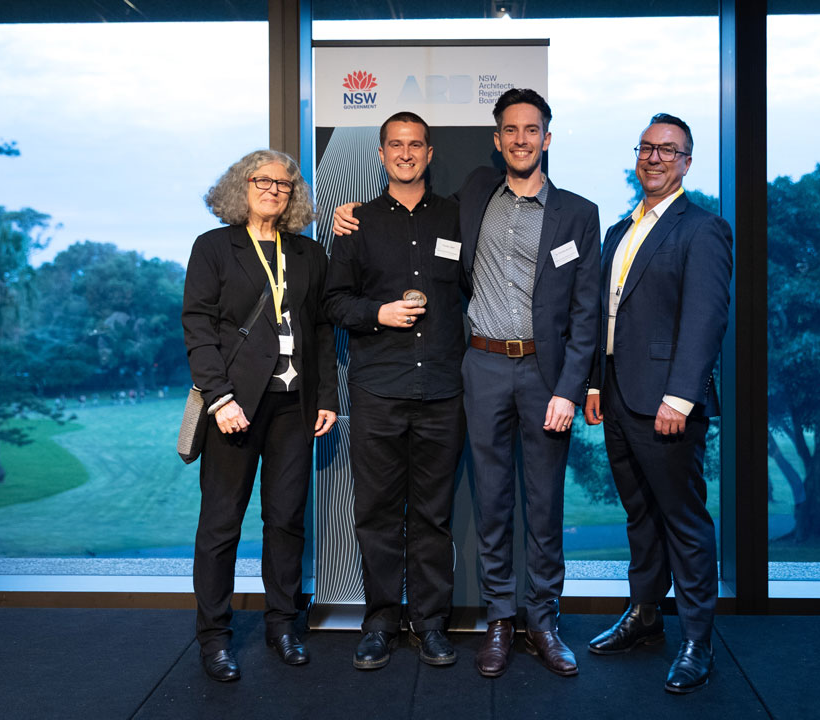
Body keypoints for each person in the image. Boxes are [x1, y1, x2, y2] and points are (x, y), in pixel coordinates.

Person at [334, 88, 599, 678]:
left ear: (546, 139)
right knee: (492, 501)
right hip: (478, 368)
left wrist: (575, 387)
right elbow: (358, 270)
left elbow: (586, 310)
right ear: (497, 139)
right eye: (511, 130)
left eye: (532, 130)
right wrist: (344, 214)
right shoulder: (477, 193)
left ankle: (544, 620)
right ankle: (501, 619)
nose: (522, 139)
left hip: (543, 373)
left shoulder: (575, 213)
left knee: (544, 501)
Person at [583, 114, 732, 694]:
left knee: (684, 521)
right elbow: (605, 314)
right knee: (640, 516)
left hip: (667, 402)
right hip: (618, 397)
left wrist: (681, 395)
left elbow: (706, 318)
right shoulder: (620, 231)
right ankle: (645, 617)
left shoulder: (703, 229)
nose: (654, 157)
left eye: (667, 150)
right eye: (646, 148)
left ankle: (698, 639)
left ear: (687, 162)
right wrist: (595, 385)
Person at [182, 149, 339, 682]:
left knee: (286, 520)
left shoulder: (307, 253)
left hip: (294, 406)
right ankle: (214, 637)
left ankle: (282, 625)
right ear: (241, 186)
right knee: (222, 523)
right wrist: (220, 399)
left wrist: (327, 397)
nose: (274, 190)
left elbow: (320, 329)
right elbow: (198, 326)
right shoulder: (213, 248)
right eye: (263, 180)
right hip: (236, 407)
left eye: (285, 184)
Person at [323, 112, 466, 670]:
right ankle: (381, 621)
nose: (405, 153)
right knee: (378, 511)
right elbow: (334, 302)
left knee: (433, 516)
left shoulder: (459, 217)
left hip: (443, 389)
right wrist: (378, 313)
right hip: (378, 388)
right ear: (381, 154)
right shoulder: (356, 223)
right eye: (395, 145)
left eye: (415, 144)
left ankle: (431, 625)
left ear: (429, 153)